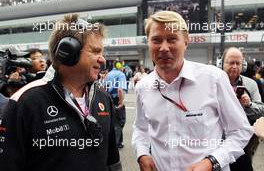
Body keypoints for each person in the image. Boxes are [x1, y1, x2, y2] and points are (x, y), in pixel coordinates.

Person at [132, 11, 253, 171]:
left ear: (186, 42)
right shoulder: (143, 87)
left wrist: (212, 162)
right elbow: (141, 129)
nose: (164, 47)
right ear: (148, 43)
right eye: (156, 40)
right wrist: (142, 154)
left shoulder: (214, 79)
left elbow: (240, 131)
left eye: (172, 39)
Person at [0, 14, 122, 171]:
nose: (102, 60)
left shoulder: (102, 97)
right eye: (96, 51)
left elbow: (112, 161)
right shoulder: (24, 102)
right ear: (68, 51)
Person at [222, 47, 264, 171]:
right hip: (218, 140)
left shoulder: (251, 84)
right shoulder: (213, 82)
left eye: (238, 63)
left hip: (243, 143)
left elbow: (261, 110)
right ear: (221, 63)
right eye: (231, 62)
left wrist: (248, 105)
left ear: (243, 65)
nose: (234, 66)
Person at [105, 61, 127, 149]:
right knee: (120, 121)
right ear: (119, 66)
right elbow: (120, 89)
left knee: (111, 120)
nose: (123, 67)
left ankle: (119, 142)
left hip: (108, 98)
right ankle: (116, 143)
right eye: (122, 65)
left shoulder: (108, 74)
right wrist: (121, 101)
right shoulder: (121, 74)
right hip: (117, 98)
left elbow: (104, 87)